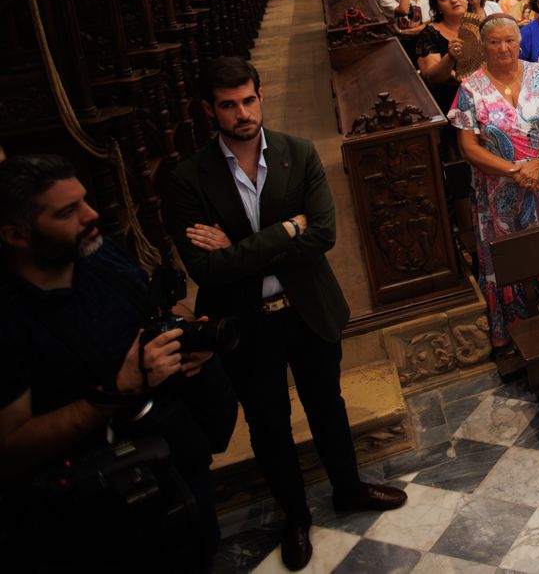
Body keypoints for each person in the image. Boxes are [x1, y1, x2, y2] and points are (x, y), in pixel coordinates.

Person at [165, 59, 406, 570]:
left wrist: (244, 247)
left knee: (327, 404)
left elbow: (323, 234)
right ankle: (295, 517)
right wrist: (285, 232)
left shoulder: (298, 153)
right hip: (243, 322)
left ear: (260, 96)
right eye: (228, 105)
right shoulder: (189, 178)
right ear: (210, 110)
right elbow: (206, 269)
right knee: (268, 423)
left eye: (249, 100)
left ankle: (347, 487)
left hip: (307, 308)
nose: (242, 112)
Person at [1, 156, 232, 574]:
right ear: (16, 234)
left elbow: (152, 309)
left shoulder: (99, 251)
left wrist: (187, 337)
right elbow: (10, 447)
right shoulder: (10, 319)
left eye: (84, 201)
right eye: (68, 211)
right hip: (93, 509)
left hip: (174, 461)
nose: (91, 216)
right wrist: (114, 393)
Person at [449, 16, 539, 350]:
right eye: (494, 41)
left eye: (509, 40)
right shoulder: (470, 87)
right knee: (508, 260)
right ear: (483, 46)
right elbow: (467, 147)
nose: (503, 47)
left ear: (519, 41)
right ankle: (516, 335)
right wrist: (514, 171)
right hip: (498, 195)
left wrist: (538, 163)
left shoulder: (538, 73)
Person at [413, 0, 484, 117]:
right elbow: (432, 78)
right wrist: (450, 57)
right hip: (452, 106)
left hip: (486, 98)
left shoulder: (482, 25)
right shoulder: (430, 34)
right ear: (437, 6)